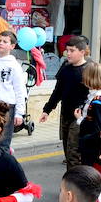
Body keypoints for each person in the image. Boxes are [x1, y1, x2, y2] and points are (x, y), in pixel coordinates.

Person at [38, 36, 90, 168]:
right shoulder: (66, 68)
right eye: (67, 50)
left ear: (82, 52)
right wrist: (47, 110)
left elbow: (95, 93)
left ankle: (74, 185)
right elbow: (58, 92)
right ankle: (71, 182)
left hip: (80, 117)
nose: (68, 53)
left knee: (74, 154)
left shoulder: (89, 69)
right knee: (68, 153)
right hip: (65, 114)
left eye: (72, 50)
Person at [0, 30, 28, 144]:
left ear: (12, 46)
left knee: (3, 140)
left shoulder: (14, 65)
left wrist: (19, 113)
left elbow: (20, 90)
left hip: (7, 107)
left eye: (5, 41)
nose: (1, 43)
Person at [76, 62, 101, 171]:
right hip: (94, 147)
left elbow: (98, 130)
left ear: (89, 78)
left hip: (93, 149)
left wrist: (80, 119)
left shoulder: (97, 102)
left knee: (90, 175)